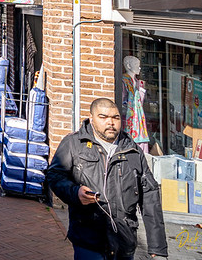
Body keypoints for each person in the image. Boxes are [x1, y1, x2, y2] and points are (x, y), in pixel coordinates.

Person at [47, 98, 167, 260]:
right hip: (89, 237)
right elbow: (55, 176)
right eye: (103, 117)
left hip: (124, 239)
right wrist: (75, 193)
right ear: (91, 118)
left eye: (115, 118)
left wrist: (157, 246)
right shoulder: (74, 144)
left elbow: (150, 197)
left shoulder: (132, 150)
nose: (110, 122)